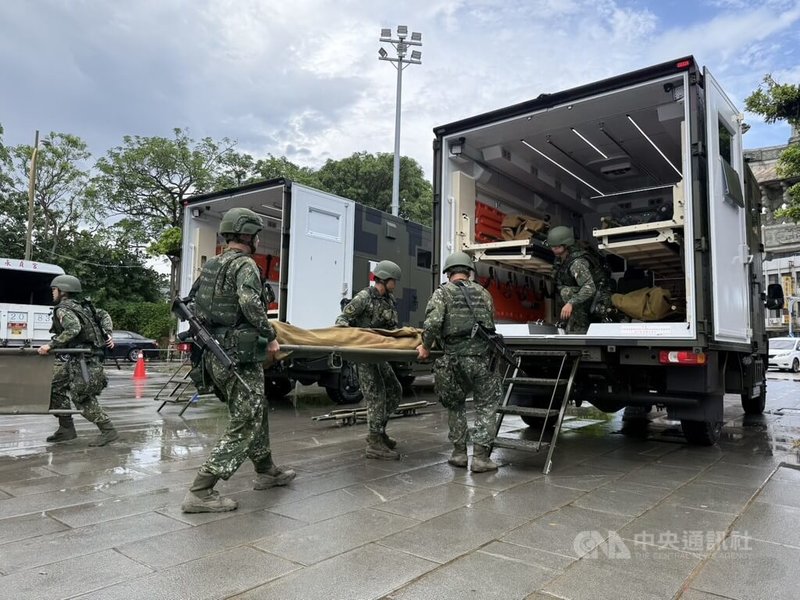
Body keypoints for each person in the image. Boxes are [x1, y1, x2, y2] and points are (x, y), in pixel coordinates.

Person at [181, 207, 295, 514]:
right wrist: (269, 335)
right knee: (246, 419)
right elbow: (249, 303)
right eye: (257, 234)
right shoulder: (245, 265)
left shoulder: (212, 265)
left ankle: (267, 470)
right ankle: (201, 490)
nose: (258, 239)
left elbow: (190, 304)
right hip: (239, 357)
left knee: (256, 410)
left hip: (215, 354)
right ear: (248, 235)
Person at [415, 252, 502, 472]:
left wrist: (425, 346)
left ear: (448, 272)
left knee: (455, 405)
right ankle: (481, 458)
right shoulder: (484, 293)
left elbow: (433, 323)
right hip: (483, 359)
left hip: (453, 360)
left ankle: (459, 454)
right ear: (469, 272)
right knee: (486, 406)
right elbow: (491, 322)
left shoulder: (442, 293)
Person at [37, 274, 119, 446]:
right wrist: (108, 332)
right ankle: (66, 429)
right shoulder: (83, 308)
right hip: (78, 358)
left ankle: (108, 430)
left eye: (54, 289)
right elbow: (104, 314)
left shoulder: (64, 309)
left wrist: (51, 345)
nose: (52, 293)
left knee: (82, 396)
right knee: (54, 387)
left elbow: (74, 328)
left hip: (86, 361)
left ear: (63, 291)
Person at [335, 260, 403, 460]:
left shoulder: (388, 300)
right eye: (394, 281)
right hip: (364, 355)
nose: (395, 284)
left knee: (394, 390)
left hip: (379, 354)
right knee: (375, 396)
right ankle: (374, 442)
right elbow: (341, 321)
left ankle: (379, 431)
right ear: (385, 279)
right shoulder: (364, 297)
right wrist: (353, 339)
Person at [546, 225, 612, 334]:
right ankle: (576, 322)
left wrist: (570, 303)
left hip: (598, 298)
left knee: (566, 292)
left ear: (566, 245)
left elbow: (589, 288)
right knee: (564, 290)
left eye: (556, 247)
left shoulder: (577, 263)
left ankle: (582, 327)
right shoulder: (561, 259)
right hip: (586, 298)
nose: (553, 249)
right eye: (552, 246)